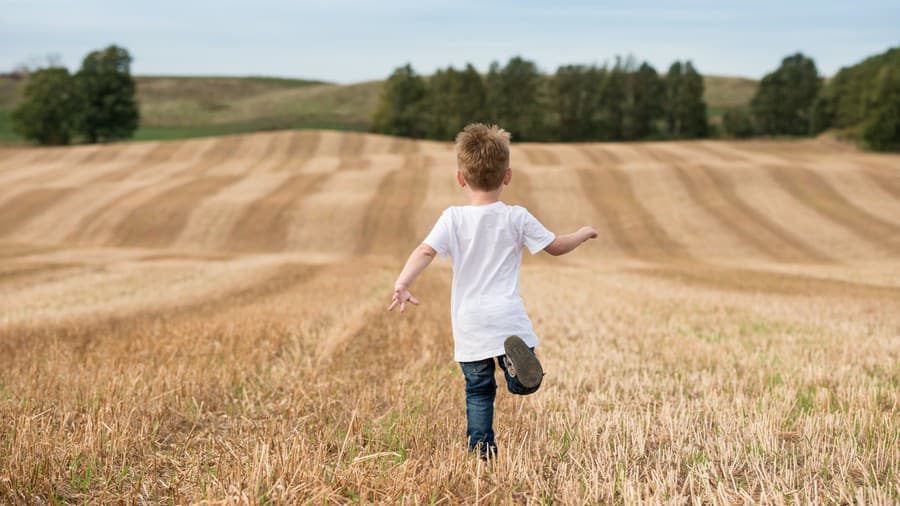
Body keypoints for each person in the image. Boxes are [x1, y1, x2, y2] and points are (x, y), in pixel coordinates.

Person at [387, 123, 597, 458]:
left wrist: (402, 283)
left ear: (461, 178)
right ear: (507, 176)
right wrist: (583, 233)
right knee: (522, 379)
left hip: (470, 323)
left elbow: (425, 251)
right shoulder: (516, 217)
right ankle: (520, 377)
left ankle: (481, 449)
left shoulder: (453, 218)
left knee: (479, 391)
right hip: (507, 318)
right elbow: (556, 246)